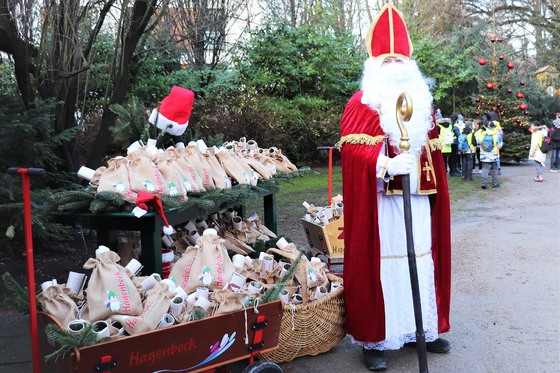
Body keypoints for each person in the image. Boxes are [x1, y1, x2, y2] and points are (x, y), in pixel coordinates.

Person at [338, 4, 452, 371]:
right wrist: (384, 163)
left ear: (410, 65)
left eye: (398, 61)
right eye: (386, 62)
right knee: (383, 265)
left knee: (421, 259)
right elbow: (353, 150)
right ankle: (375, 339)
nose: (393, 67)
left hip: (418, 200)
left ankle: (423, 327)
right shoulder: (362, 102)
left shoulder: (423, 104)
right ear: (374, 67)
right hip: (382, 204)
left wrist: (419, 168)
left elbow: (433, 151)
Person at [479, 120, 502, 189]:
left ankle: (484, 183)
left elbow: (478, 143)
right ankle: (494, 183)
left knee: (485, 168)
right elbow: (499, 145)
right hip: (493, 154)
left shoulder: (481, 135)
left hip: (484, 154)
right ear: (493, 127)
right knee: (494, 168)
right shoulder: (495, 135)